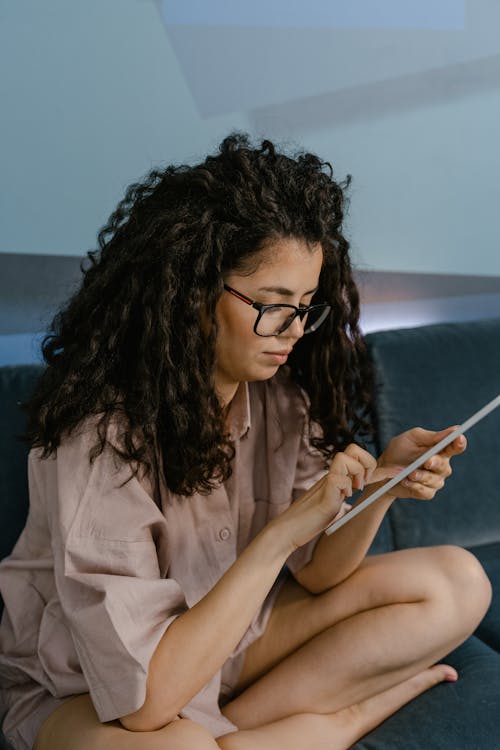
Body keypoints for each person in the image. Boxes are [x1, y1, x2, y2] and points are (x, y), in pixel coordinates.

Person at [0, 133, 492, 750]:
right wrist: (281, 534)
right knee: (174, 744)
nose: (291, 331)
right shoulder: (101, 437)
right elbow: (144, 704)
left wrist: (381, 489)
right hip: (92, 688)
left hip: (227, 647)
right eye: (270, 304)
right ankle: (321, 730)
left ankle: (235, 735)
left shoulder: (282, 398)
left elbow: (316, 575)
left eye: (306, 307)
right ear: (191, 290)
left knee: (456, 580)